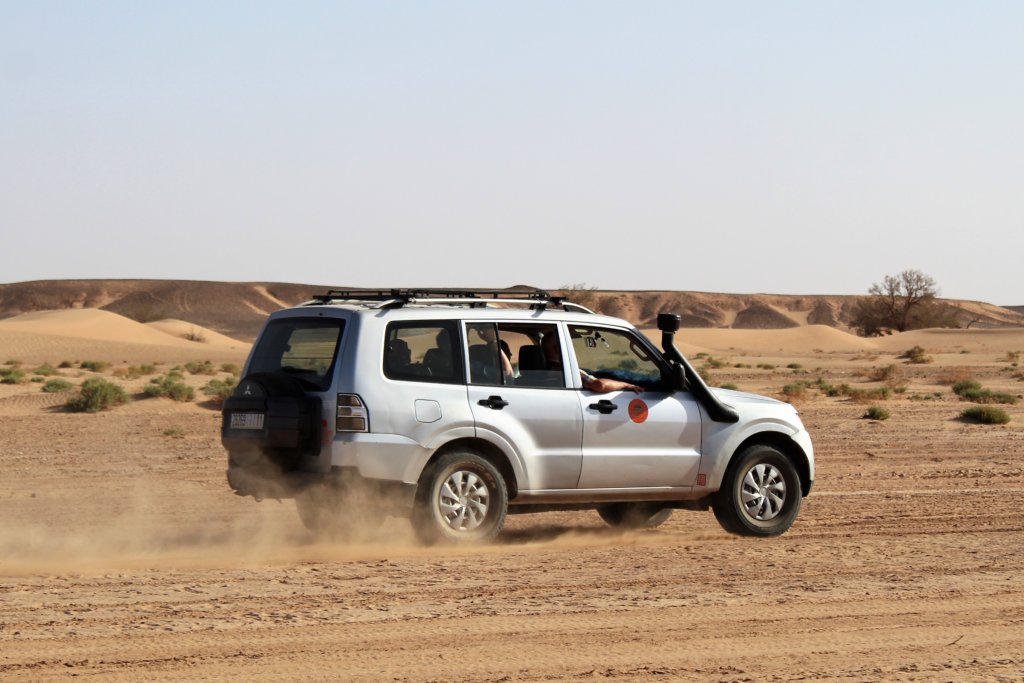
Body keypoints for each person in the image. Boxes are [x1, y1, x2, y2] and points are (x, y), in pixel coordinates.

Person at [541, 332, 641, 393]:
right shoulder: (568, 371)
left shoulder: (538, 370)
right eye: (566, 345)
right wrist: (626, 385)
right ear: (557, 349)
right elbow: (599, 385)